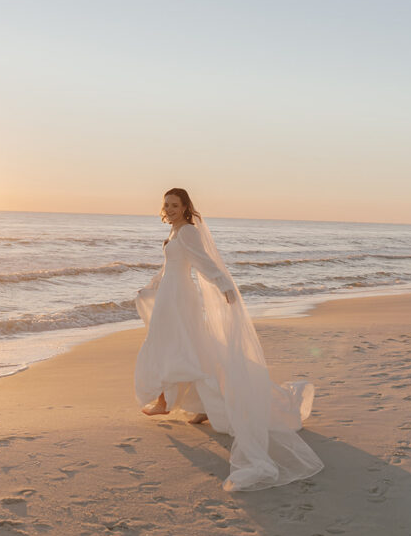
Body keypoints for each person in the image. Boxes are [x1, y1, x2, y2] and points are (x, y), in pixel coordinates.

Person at [135, 188, 323, 492]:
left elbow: (204, 263)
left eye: (174, 205)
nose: (168, 209)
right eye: (166, 205)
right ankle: (201, 405)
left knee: (178, 348)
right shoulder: (175, 231)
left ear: (185, 208)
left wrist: (224, 285)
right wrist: (151, 285)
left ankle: (165, 402)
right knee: (186, 348)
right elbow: (169, 266)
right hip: (170, 295)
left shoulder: (189, 233)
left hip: (181, 299)